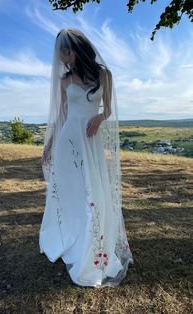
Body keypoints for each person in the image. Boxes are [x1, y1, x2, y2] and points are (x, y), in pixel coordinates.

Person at [39, 28, 133, 288]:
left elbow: (109, 110)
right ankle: (71, 235)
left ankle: (92, 242)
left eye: (65, 53)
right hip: (69, 140)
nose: (63, 60)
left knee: (92, 190)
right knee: (70, 192)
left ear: (76, 49)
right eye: (61, 55)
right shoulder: (64, 81)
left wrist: (99, 118)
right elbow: (60, 117)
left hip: (90, 140)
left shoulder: (104, 74)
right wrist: (48, 146)